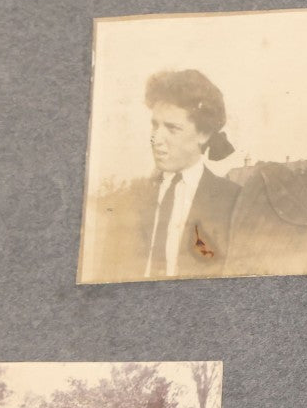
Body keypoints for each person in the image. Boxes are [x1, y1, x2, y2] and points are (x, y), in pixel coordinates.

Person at [92, 69, 241, 281]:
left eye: (172, 128)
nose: (156, 139)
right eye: (155, 125)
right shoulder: (129, 200)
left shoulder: (233, 202)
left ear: (203, 133)